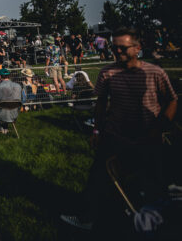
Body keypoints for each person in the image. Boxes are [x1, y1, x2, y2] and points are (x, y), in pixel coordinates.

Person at [61, 28, 178, 231]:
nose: (118, 52)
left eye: (123, 48)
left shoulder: (154, 72)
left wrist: (160, 127)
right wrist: (97, 130)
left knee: (154, 180)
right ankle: (88, 218)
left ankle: (159, 222)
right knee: (98, 178)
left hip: (147, 135)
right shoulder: (107, 72)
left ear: (137, 48)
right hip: (115, 134)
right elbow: (100, 104)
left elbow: (172, 101)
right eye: (114, 48)